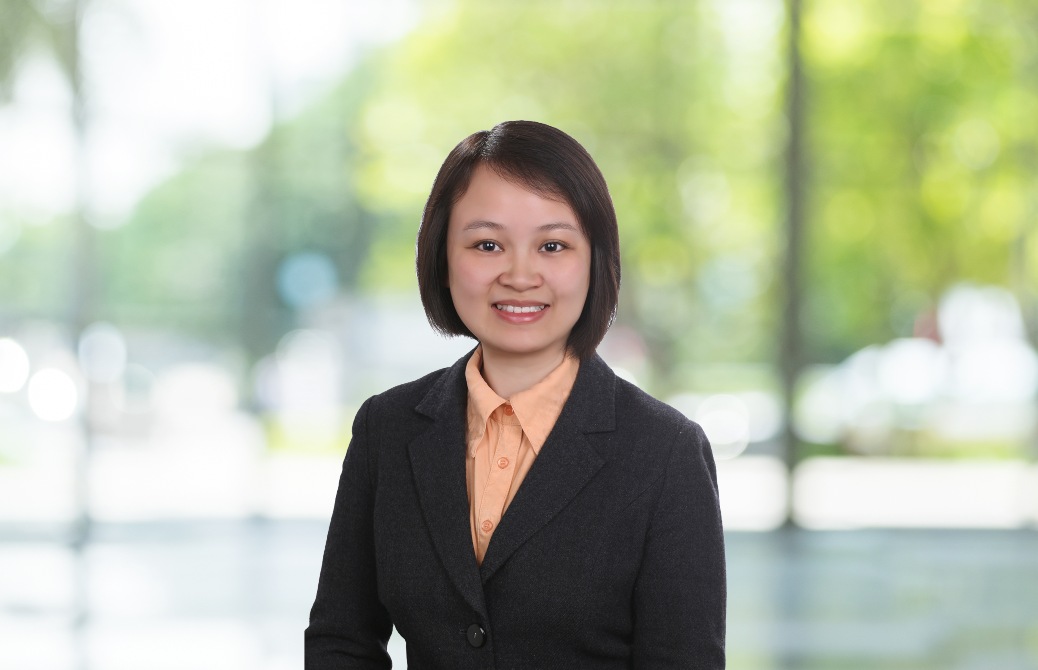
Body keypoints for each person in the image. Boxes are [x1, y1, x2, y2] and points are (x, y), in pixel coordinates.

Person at [305, 120, 726, 669]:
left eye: (552, 245)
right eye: (487, 244)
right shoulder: (387, 428)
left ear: (595, 261)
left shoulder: (665, 452)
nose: (520, 274)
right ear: (442, 257)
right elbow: (342, 641)